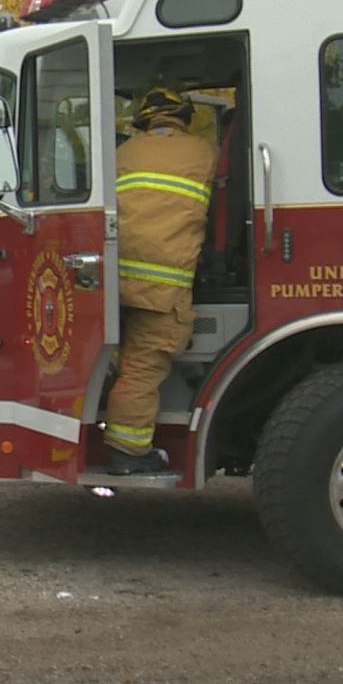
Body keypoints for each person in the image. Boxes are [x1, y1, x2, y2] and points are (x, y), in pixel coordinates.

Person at [103, 88, 219, 474]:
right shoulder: (205, 153)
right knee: (142, 369)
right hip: (163, 290)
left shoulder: (122, 154)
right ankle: (128, 451)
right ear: (183, 117)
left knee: (117, 359)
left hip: (114, 284)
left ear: (144, 119)